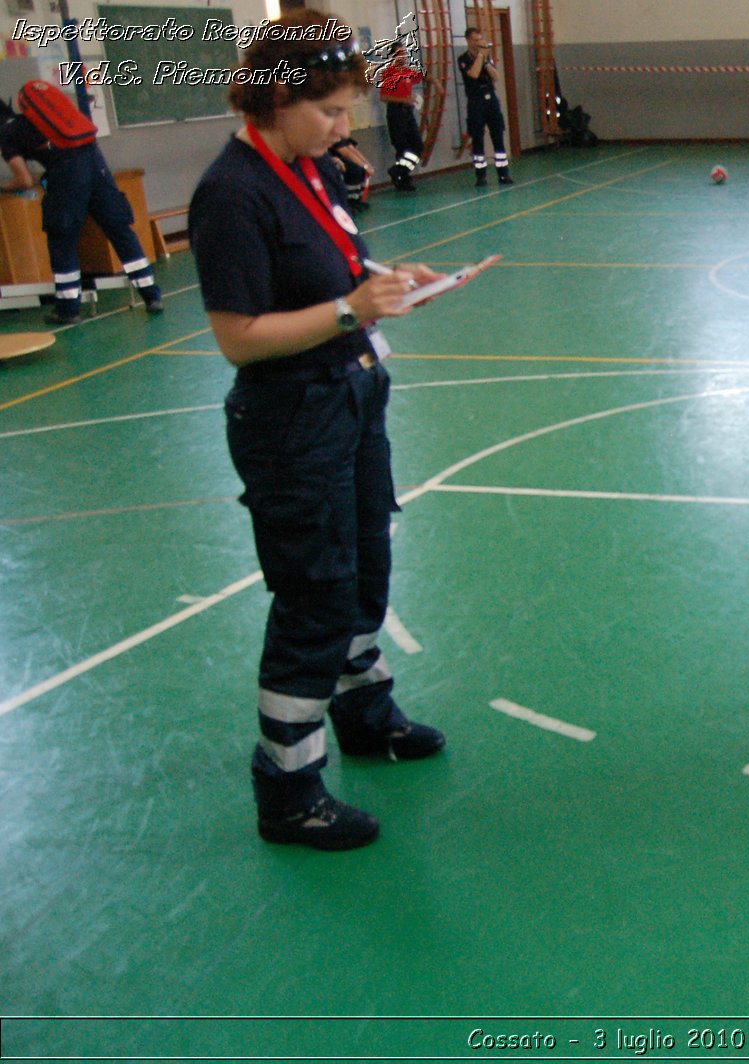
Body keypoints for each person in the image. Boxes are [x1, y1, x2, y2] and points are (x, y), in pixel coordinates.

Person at [188, 9, 450, 851]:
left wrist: (386, 281)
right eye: (331, 110)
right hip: (292, 421)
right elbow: (239, 337)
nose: (345, 129)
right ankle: (289, 786)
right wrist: (347, 310)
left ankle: (364, 715)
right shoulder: (231, 193)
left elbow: (337, 264)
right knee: (315, 596)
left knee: (366, 563)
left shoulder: (309, 170)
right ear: (277, 99)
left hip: (350, 399)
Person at [0, 93, 162, 324]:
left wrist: (4, 187)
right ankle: (152, 296)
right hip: (95, 160)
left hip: (68, 173)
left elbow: (24, 180)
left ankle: (68, 309)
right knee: (120, 230)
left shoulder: (6, 134)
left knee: (62, 238)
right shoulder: (40, 119)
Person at [458, 27, 514, 187]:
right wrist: (480, 56)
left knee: (498, 135)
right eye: (475, 40)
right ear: (469, 40)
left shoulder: (486, 57)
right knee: (477, 138)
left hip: (491, 100)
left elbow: (496, 77)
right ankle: (481, 176)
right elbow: (473, 74)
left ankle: (503, 174)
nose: (478, 43)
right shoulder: (464, 59)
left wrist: (486, 61)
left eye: (480, 39)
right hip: (476, 101)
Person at [377, 44, 433, 192]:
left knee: (417, 146)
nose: (405, 56)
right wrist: (403, 100)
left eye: (405, 53)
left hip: (408, 113)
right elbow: (383, 96)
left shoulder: (407, 72)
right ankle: (404, 178)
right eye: (401, 53)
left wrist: (436, 82)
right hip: (396, 113)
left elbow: (423, 75)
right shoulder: (389, 73)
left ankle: (399, 170)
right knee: (402, 147)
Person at [329, 135, 373, 212]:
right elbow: (345, 151)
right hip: (332, 158)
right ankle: (349, 201)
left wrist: (367, 164)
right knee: (353, 169)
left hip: (340, 158)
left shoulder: (341, 134)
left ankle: (357, 199)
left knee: (361, 169)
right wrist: (364, 166)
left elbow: (351, 148)